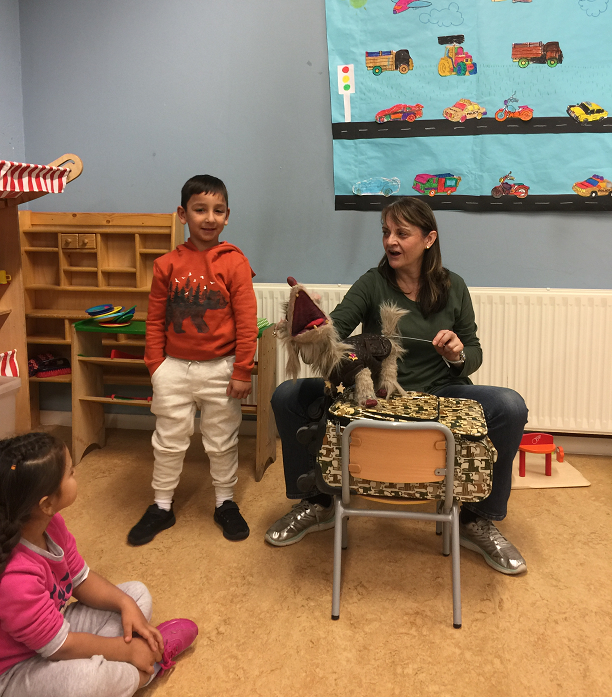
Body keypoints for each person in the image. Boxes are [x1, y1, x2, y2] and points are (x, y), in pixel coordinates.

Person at [265, 196, 528, 575]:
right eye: (386, 232)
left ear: (429, 239)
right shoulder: (372, 283)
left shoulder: (454, 286)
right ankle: (318, 501)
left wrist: (456, 353)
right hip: (375, 395)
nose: (391, 241)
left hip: (441, 392)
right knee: (287, 395)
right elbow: (335, 330)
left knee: (510, 406)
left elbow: (474, 352)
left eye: (402, 233)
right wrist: (310, 323)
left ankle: (476, 517)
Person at [0, 432, 198, 697]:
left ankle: (131, 659)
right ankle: (147, 668)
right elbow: (60, 646)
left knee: (136, 593)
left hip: (54, 631)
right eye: (70, 473)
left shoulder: (52, 524)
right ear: (46, 504)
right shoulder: (15, 578)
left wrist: (125, 604)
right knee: (85, 681)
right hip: (15, 670)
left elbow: (81, 580)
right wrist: (127, 650)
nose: (76, 474)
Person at [128, 175, 258, 545]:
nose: (209, 218)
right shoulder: (166, 264)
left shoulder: (235, 263)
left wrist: (242, 370)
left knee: (221, 440)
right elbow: (155, 319)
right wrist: (156, 366)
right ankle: (161, 506)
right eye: (200, 209)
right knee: (168, 441)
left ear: (227, 216)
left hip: (221, 370)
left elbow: (247, 321)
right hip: (173, 369)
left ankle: (224, 502)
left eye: (218, 210)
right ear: (183, 214)